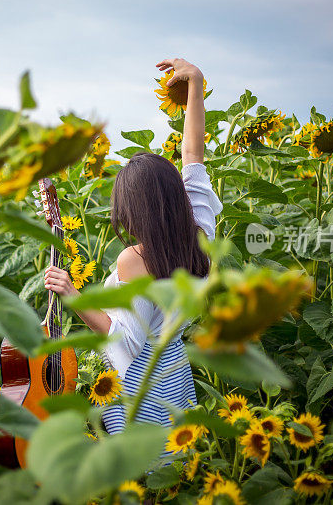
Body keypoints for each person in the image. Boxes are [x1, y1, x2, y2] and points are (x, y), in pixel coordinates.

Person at [43, 58, 222, 433]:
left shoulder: (136, 259)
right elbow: (194, 156)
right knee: (176, 464)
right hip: (175, 374)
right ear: (175, 194)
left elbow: (122, 340)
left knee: (138, 474)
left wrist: (72, 293)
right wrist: (195, 84)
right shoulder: (198, 233)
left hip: (143, 388)